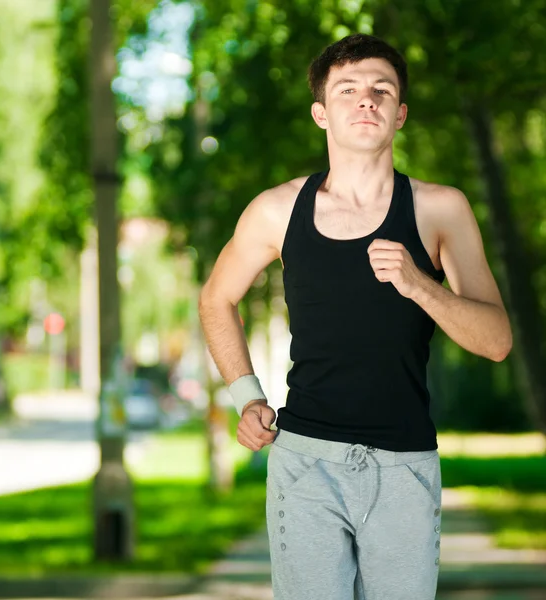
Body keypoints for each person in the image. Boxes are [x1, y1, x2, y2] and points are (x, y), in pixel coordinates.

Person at [198, 33, 512, 600]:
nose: (365, 99)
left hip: (405, 465)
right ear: (321, 112)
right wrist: (246, 396)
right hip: (304, 461)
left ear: (400, 115)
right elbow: (216, 298)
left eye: (381, 89)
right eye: (347, 89)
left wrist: (421, 285)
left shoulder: (441, 209)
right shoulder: (276, 210)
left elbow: (496, 341)